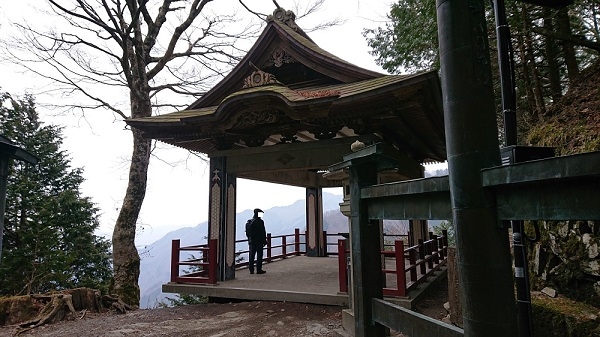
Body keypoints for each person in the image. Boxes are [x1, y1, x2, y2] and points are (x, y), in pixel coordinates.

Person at [248, 208, 267, 274]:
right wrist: (264, 241)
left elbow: (248, 233)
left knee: (251, 255)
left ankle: (251, 270)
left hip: (251, 241)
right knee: (259, 255)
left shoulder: (250, 221)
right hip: (259, 241)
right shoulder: (260, 222)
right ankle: (259, 269)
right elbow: (262, 232)